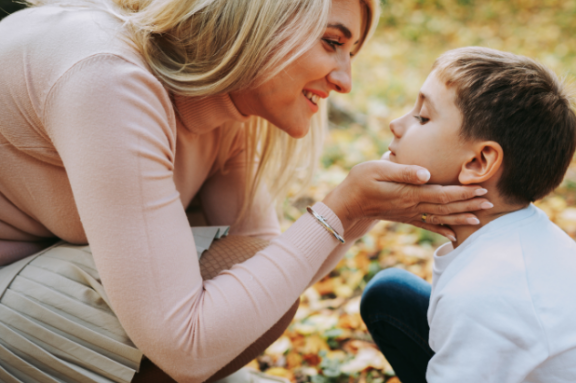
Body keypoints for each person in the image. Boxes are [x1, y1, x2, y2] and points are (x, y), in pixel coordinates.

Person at [0, 1, 495, 382]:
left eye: (351, 52)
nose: (345, 80)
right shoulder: (109, 77)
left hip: (37, 291)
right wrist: (341, 209)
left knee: (256, 279)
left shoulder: (227, 111)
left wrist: (363, 212)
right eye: (330, 42)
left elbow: (268, 284)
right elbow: (186, 344)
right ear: (266, 17)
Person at [361, 47, 576, 383]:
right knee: (390, 295)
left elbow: (480, 303)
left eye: (423, 117)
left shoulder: (487, 290)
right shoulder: (513, 234)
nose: (396, 124)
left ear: (478, 162)